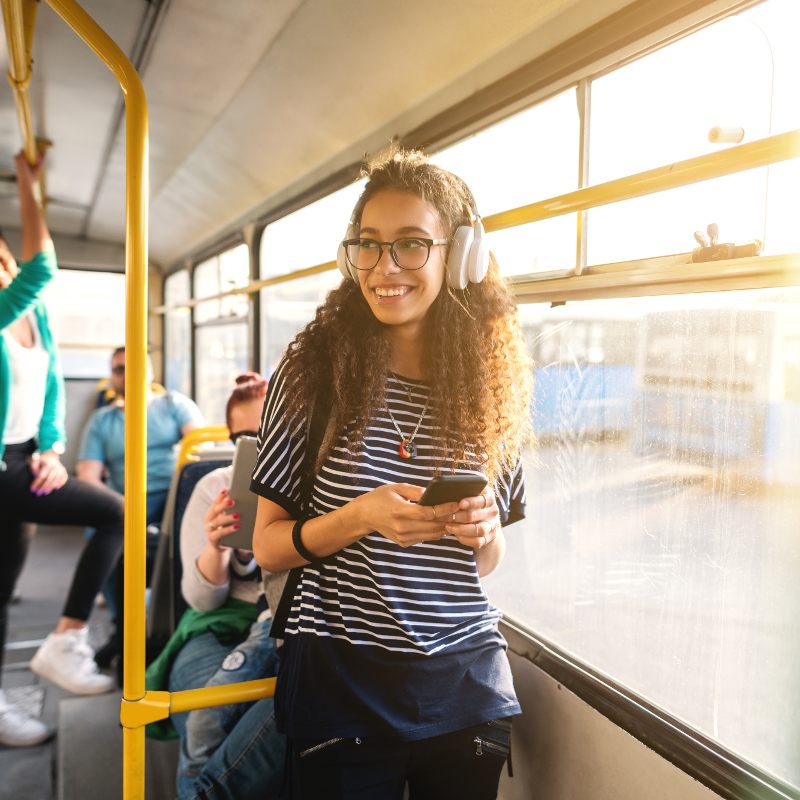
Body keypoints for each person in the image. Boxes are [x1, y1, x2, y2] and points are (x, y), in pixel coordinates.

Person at [251, 150, 532, 800]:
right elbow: (266, 543)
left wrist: (482, 530)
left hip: (466, 688)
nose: (385, 269)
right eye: (369, 247)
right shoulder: (312, 371)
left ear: (458, 255)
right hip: (341, 686)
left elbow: (488, 562)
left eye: (411, 245)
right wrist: (360, 517)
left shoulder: (490, 385)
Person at [1, 151, 126, 747]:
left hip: (25, 457)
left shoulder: (34, 318)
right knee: (113, 512)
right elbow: (44, 265)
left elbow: (49, 390)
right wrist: (29, 182)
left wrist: (50, 446)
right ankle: (66, 637)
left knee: (2, 585)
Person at [145, 373, 285, 799]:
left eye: (269, 435)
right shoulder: (214, 487)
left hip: (279, 619)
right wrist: (217, 548)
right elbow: (202, 600)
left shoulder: (313, 484)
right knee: (205, 712)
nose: (259, 448)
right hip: (219, 622)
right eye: (246, 438)